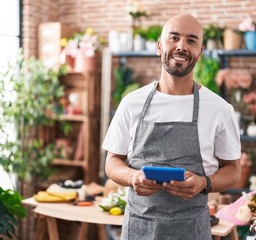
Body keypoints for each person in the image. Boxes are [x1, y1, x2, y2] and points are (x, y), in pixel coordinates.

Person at [102, 13, 241, 240]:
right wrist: (132, 177)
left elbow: (233, 172)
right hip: (138, 229)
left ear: (200, 52)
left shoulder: (220, 109)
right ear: (159, 46)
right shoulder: (131, 103)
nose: (181, 46)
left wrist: (204, 183)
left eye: (191, 41)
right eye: (174, 38)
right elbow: (112, 162)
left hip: (192, 230)